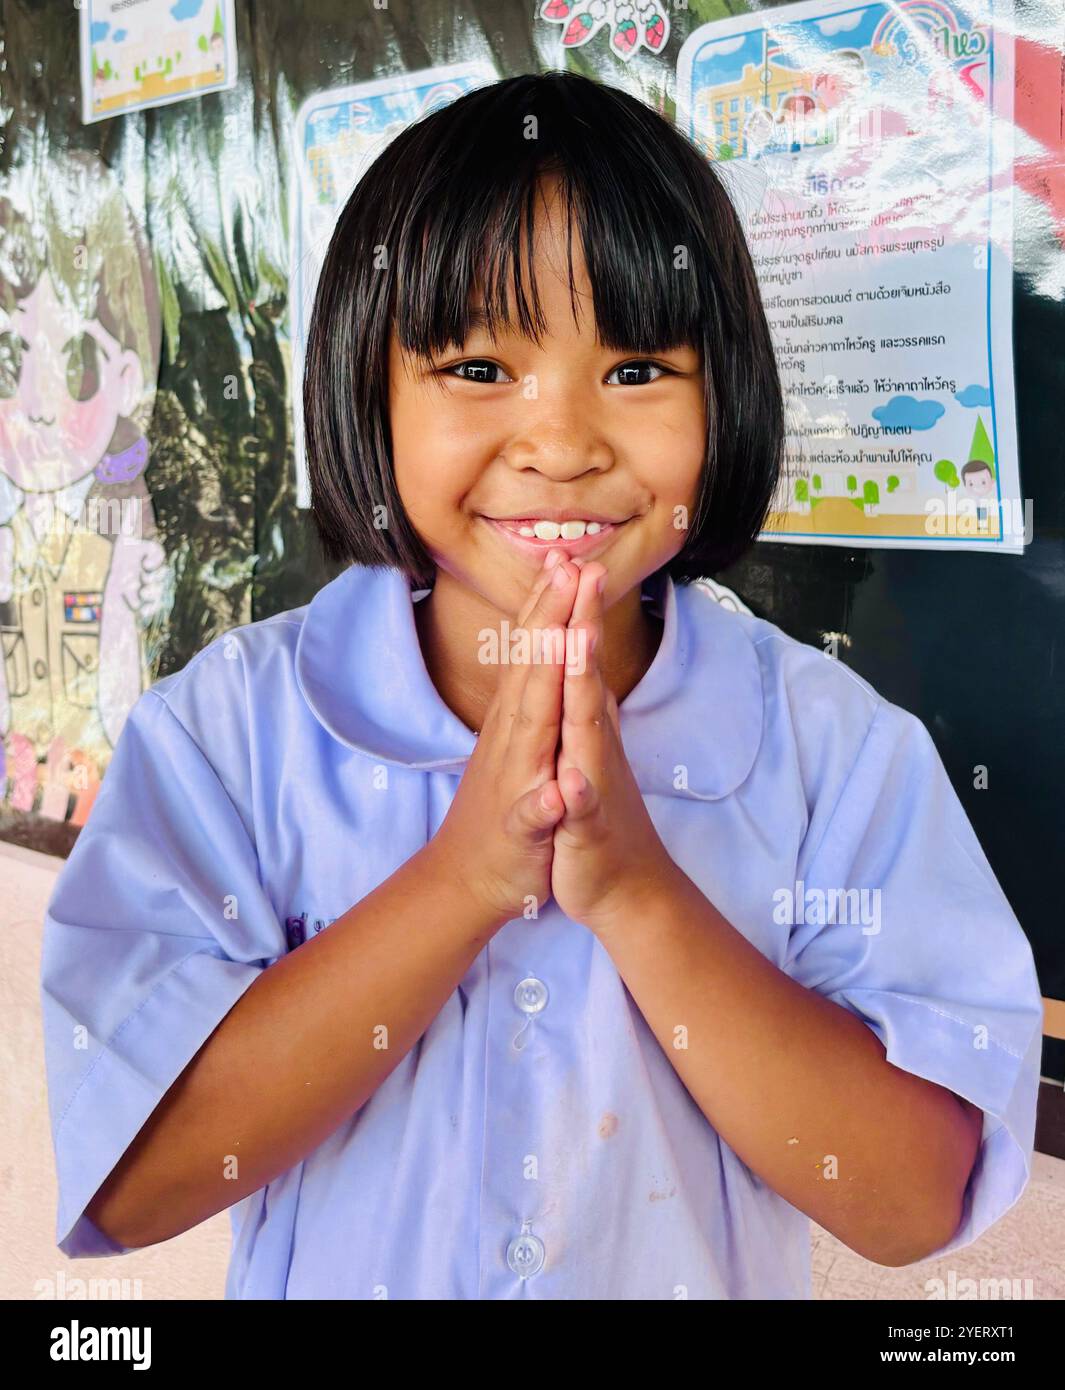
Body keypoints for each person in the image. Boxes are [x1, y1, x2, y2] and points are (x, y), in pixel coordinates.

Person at [39, 71, 1043, 1300]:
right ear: (371, 389)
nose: (562, 445)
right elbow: (134, 1180)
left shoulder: (839, 751)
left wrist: (638, 894)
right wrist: (464, 877)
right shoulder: (228, 733)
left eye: (637, 371)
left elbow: (907, 1200)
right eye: (475, 367)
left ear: (725, 398)